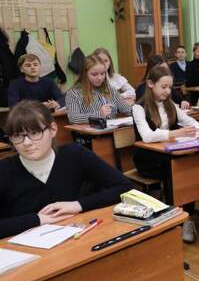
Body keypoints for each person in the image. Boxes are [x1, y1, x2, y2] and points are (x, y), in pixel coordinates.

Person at [0, 100, 132, 238]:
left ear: (53, 129)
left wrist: (78, 205)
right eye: (17, 136)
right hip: (25, 245)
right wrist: (37, 219)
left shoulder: (74, 154)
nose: (26, 143)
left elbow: (124, 187)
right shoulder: (4, 170)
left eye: (34, 133)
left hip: (79, 237)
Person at [132, 66, 199, 242]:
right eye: (164, 87)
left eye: (170, 87)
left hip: (170, 153)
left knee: (196, 163)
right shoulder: (138, 108)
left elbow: (194, 123)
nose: (168, 91)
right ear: (151, 84)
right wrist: (175, 133)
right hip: (148, 159)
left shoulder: (171, 105)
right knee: (181, 170)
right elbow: (147, 136)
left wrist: (191, 130)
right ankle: (185, 218)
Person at [65, 55, 132, 124]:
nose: (100, 78)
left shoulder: (110, 89)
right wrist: (99, 114)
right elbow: (73, 118)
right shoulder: (73, 93)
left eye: (102, 74)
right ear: (85, 74)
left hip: (112, 129)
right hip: (90, 130)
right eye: (94, 75)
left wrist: (136, 110)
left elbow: (126, 109)